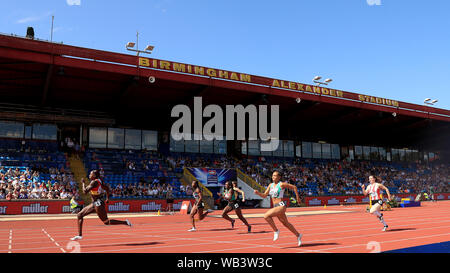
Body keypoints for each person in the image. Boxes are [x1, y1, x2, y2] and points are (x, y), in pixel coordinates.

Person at [70, 170, 132, 241]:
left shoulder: (94, 182)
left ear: (95, 176)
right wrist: (107, 198)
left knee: (106, 222)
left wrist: (83, 183)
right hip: (94, 203)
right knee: (79, 215)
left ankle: (125, 222)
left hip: (98, 203)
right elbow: (107, 188)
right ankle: (79, 235)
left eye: (91, 174)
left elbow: (85, 191)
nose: (89, 175)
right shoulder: (99, 181)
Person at [253, 171, 302, 246]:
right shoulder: (270, 185)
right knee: (285, 223)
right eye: (272, 175)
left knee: (266, 216)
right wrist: (258, 193)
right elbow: (264, 195)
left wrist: (297, 198)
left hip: (281, 205)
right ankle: (298, 235)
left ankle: (276, 230)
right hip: (275, 206)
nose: (273, 177)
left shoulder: (281, 184)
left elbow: (294, 187)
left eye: (275, 176)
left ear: (279, 177)